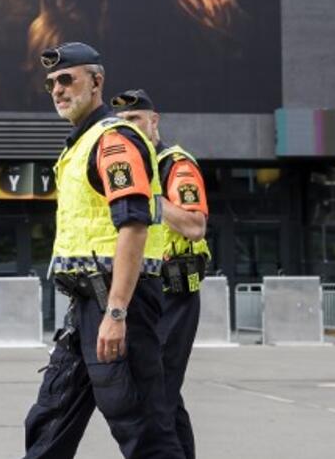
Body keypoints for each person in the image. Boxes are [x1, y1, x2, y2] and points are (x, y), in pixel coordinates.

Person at [22, 43, 183, 459]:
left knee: (142, 428)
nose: (57, 90)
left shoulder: (114, 141)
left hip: (115, 302)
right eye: (51, 83)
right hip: (85, 304)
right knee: (49, 420)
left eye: (66, 79)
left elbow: (133, 225)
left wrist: (116, 312)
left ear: (96, 82)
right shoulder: (81, 143)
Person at [112, 89, 210, 459]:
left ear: (154, 120)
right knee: (164, 393)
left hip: (176, 290)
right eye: (122, 124)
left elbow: (195, 226)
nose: (129, 129)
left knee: (160, 393)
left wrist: (148, 198)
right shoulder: (134, 167)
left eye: (136, 120)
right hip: (150, 293)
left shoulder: (174, 164)